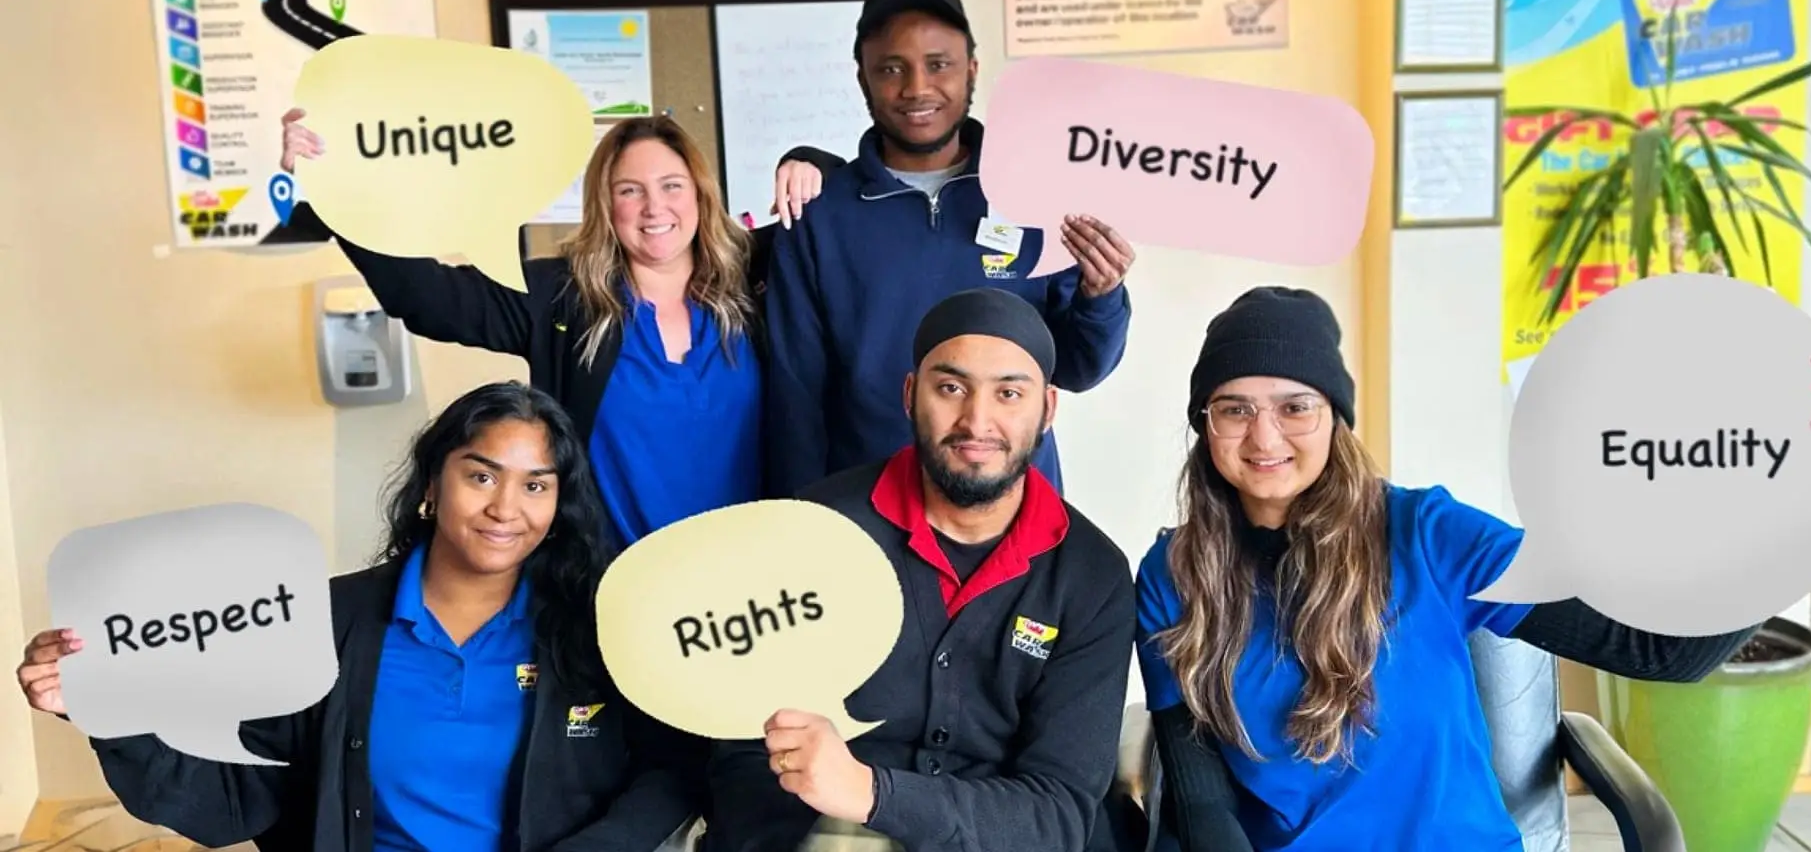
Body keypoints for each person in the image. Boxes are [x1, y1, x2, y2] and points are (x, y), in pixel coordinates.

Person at [1133, 286, 1811, 851]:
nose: (1264, 434)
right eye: (1234, 408)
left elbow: (1662, 649)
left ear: (1335, 417)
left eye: (1295, 405)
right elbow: (1201, 799)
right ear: (1205, 425)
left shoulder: (1427, 535)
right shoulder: (1173, 575)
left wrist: (1801, 502)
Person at [16, 381, 701, 852]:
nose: (506, 509)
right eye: (482, 475)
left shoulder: (596, 629)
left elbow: (669, 772)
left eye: (536, 486)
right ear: (433, 483)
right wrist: (108, 710)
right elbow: (236, 792)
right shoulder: (322, 623)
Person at [705, 288, 1138, 852]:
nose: (976, 420)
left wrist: (873, 793)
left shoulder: (1092, 575)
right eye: (951, 388)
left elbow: (1059, 811)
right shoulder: (813, 528)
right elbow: (742, 743)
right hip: (827, 832)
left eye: (1009, 393)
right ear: (911, 395)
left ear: (1048, 410)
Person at [278, 110, 841, 542]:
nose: (654, 207)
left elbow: (859, 198)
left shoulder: (761, 277)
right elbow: (427, 298)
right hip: (611, 588)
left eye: (671, 185)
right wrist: (337, 188)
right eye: (630, 190)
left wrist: (809, 158)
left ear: (699, 193)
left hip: (757, 583)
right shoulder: (561, 296)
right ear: (605, 203)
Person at [761, 0, 1137, 501]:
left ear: (971, 71)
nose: (917, 88)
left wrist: (1101, 295)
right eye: (892, 68)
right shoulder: (819, 216)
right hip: (871, 514)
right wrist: (801, 519)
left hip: (1014, 510)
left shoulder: (1037, 194)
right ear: (863, 78)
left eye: (938, 64)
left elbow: (1077, 368)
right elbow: (795, 398)